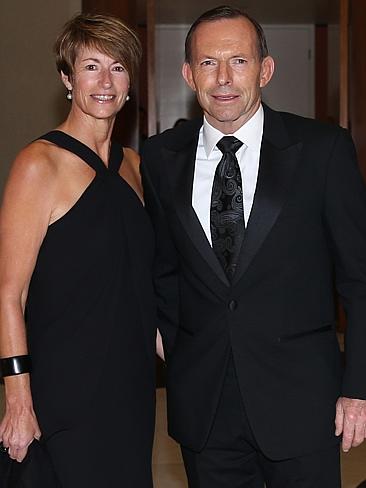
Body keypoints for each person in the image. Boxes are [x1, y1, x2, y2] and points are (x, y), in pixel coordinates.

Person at [141, 5, 366, 487]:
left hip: (304, 405)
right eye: (207, 62)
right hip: (204, 409)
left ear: (265, 69)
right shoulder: (160, 159)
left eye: (238, 61)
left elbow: (359, 279)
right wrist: (174, 344)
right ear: (188, 73)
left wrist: (358, 389)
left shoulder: (324, 150)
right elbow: (163, 268)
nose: (223, 77)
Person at [0, 13, 158, 487]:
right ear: (67, 78)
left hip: (130, 386)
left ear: (131, 81)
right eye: (91, 67)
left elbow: (136, 281)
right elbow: (9, 294)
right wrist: (19, 401)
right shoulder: (38, 164)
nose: (105, 82)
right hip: (63, 388)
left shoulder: (134, 166)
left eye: (118, 67)